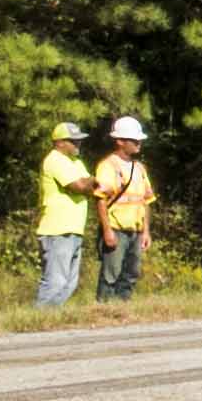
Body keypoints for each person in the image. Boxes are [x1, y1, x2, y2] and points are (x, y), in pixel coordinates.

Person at [91, 114, 157, 301]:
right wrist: (107, 231)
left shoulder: (139, 168)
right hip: (116, 230)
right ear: (120, 141)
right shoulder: (108, 166)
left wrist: (146, 232)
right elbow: (101, 200)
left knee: (131, 274)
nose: (139, 143)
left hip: (135, 231)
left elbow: (146, 201)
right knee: (110, 274)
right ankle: (103, 310)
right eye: (134, 140)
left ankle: (121, 309)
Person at [32, 118, 95, 308]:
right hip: (57, 230)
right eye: (73, 140)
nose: (78, 143)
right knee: (55, 282)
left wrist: (89, 183)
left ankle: (49, 321)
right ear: (59, 142)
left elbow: (90, 187)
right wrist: (91, 182)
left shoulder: (75, 162)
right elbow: (79, 185)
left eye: (79, 140)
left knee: (69, 284)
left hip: (73, 229)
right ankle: (37, 319)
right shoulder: (54, 160)